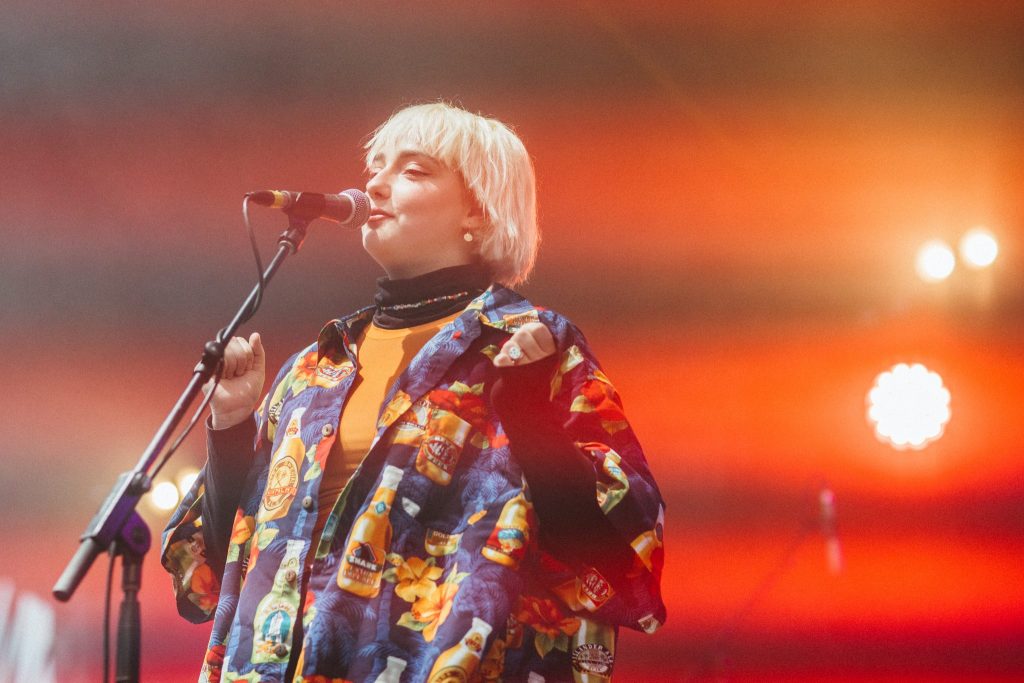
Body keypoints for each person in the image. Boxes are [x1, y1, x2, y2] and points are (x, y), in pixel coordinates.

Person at [162, 102, 666, 683]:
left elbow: (619, 549)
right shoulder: (315, 367)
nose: (374, 183)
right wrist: (229, 428)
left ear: (478, 212)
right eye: (375, 167)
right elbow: (221, 566)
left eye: (413, 170)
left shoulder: (533, 347)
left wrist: (530, 420)